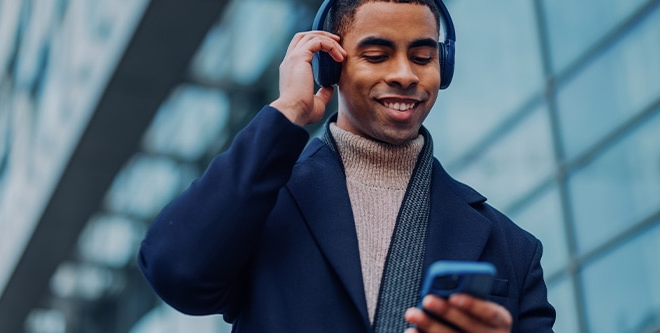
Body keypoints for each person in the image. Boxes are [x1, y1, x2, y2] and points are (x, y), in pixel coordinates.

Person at [138, 0, 556, 332]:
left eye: (423, 56)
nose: (405, 74)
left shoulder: (513, 249)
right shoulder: (264, 202)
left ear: (442, 67)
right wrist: (288, 112)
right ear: (331, 66)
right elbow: (176, 271)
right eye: (376, 55)